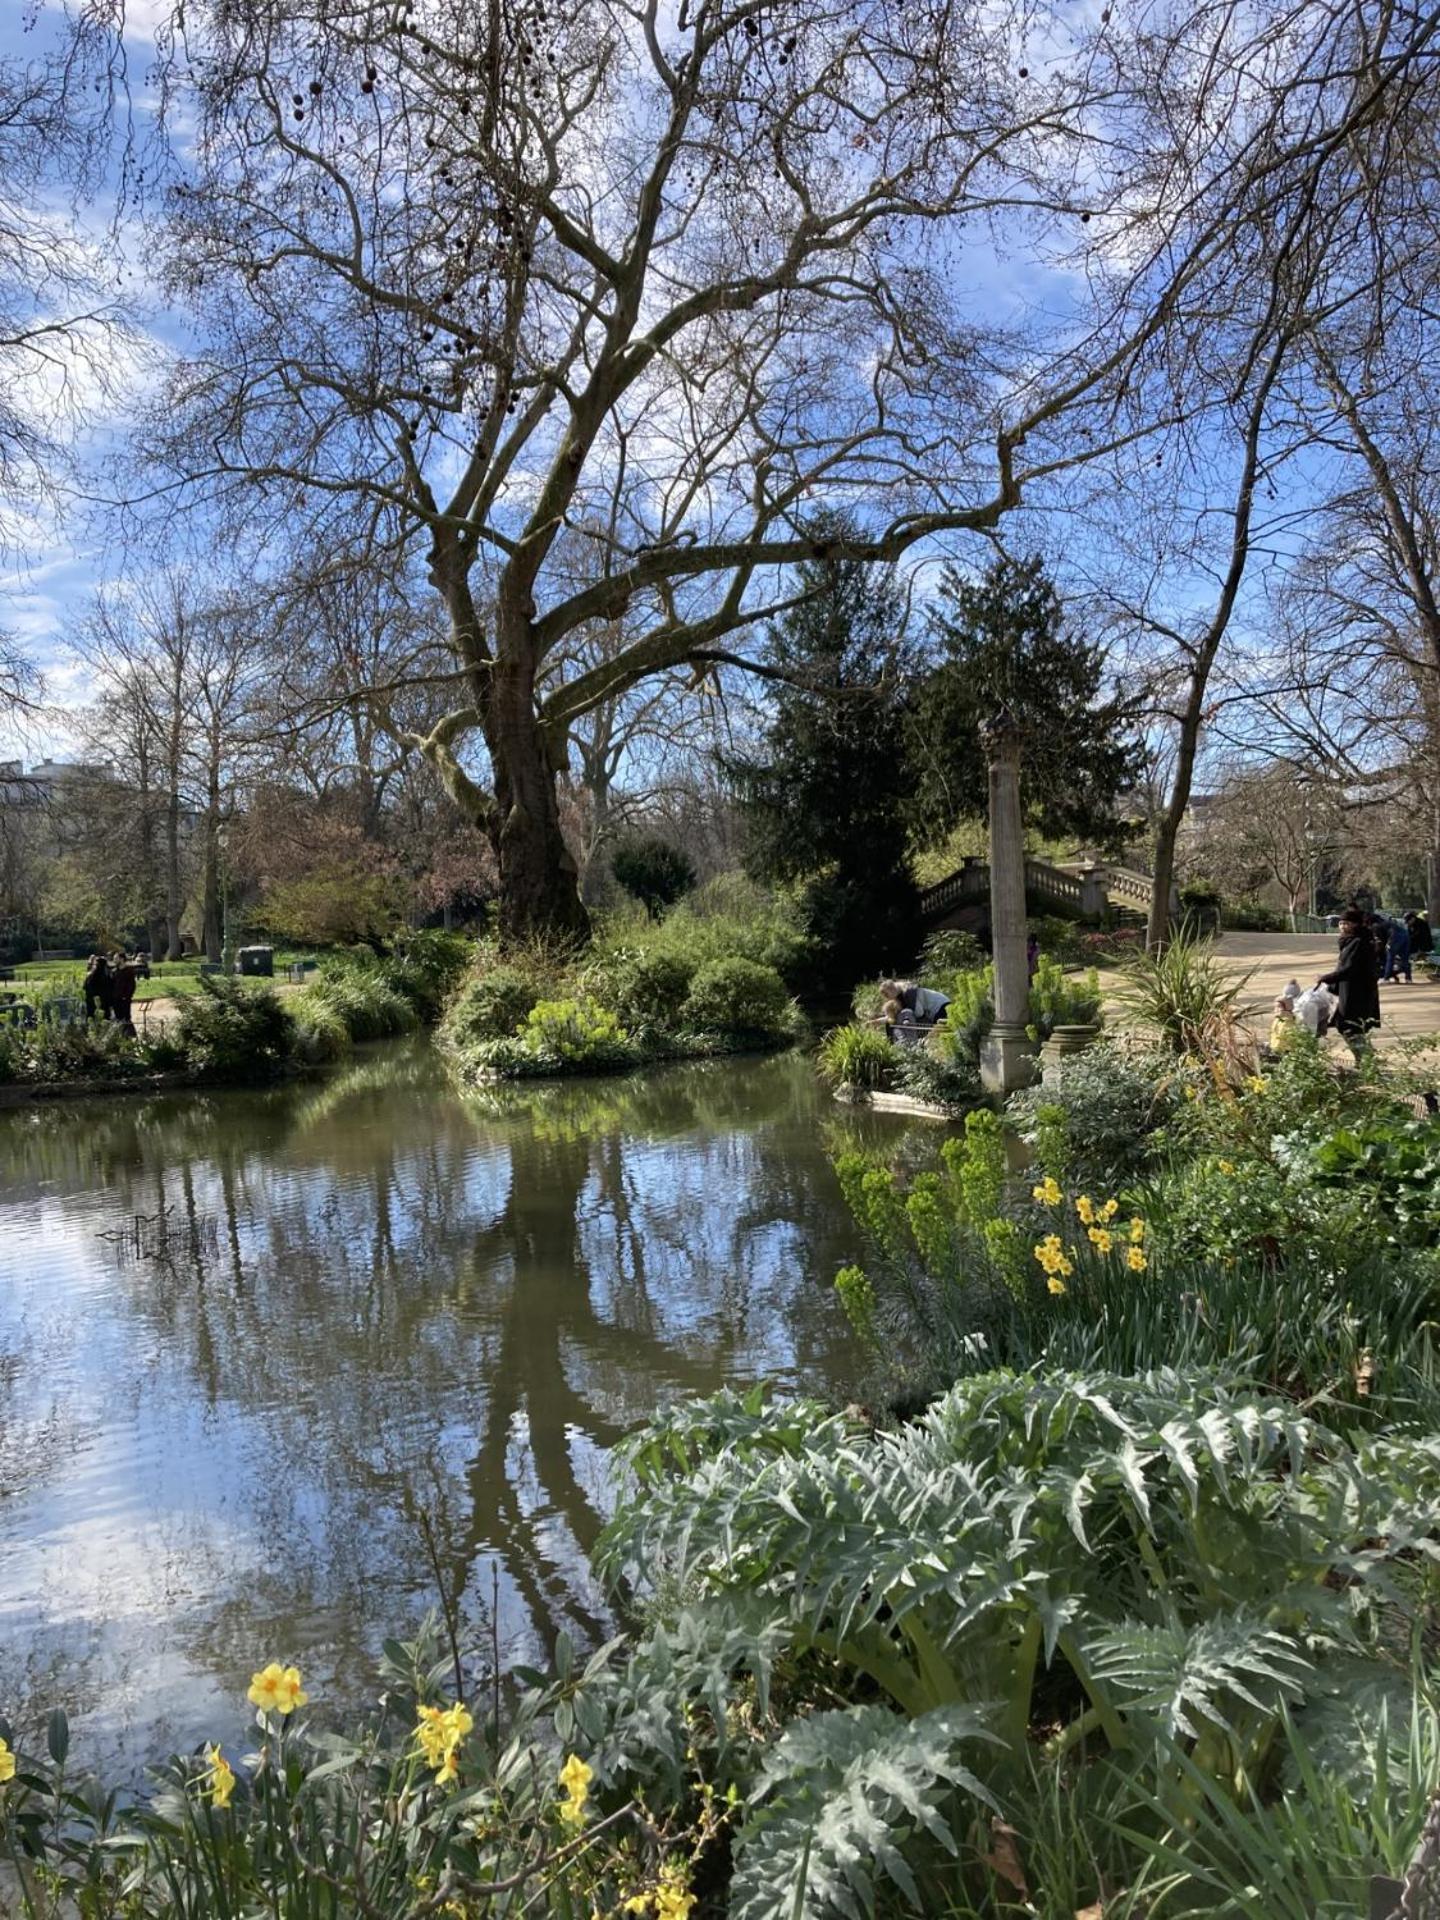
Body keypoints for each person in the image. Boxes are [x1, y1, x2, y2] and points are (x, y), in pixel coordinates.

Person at [1318, 910, 1381, 1058]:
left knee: (1350, 1026)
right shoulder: (1352, 940)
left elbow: (1349, 968)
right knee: (1350, 1026)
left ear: (1356, 924)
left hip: (1358, 993)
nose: (1343, 927)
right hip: (1352, 991)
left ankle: (1367, 1060)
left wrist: (1326, 978)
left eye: (1347, 923)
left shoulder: (1358, 942)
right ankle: (1366, 1059)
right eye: (1340, 923)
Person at [880, 978, 950, 1030]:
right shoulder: (902, 993)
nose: (887, 998)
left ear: (891, 989)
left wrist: (906, 1018)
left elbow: (919, 1013)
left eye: (886, 995)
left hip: (941, 1007)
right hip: (938, 1008)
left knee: (942, 1034)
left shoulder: (909, 992)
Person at [109, 951, 139, 1034]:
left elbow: (132, 985)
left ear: (121, 959)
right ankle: (120, 1035)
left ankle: (130, 1035)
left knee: (126, 1017)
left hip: (125, 999)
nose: (114, 960)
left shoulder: (128, 971)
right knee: (118, 1018)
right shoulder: (114, 972)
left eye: (116, 958)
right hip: (115, 999)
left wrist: (127, 996)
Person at [1383, 913, 1413, 984]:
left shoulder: (1382, 925)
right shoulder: (1397, 922)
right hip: (1405, 936)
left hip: (1396, 937)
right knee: (1405, 959)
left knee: (1390, 958)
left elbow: (1389, 934)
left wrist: (1388, 944)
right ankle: (1408, 978)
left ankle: (1386, 978)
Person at [82, 953, 112, 1022]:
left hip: (91, 1002)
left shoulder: (90, 976)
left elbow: (85, 987)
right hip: (104, 1002)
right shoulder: (107, 977)